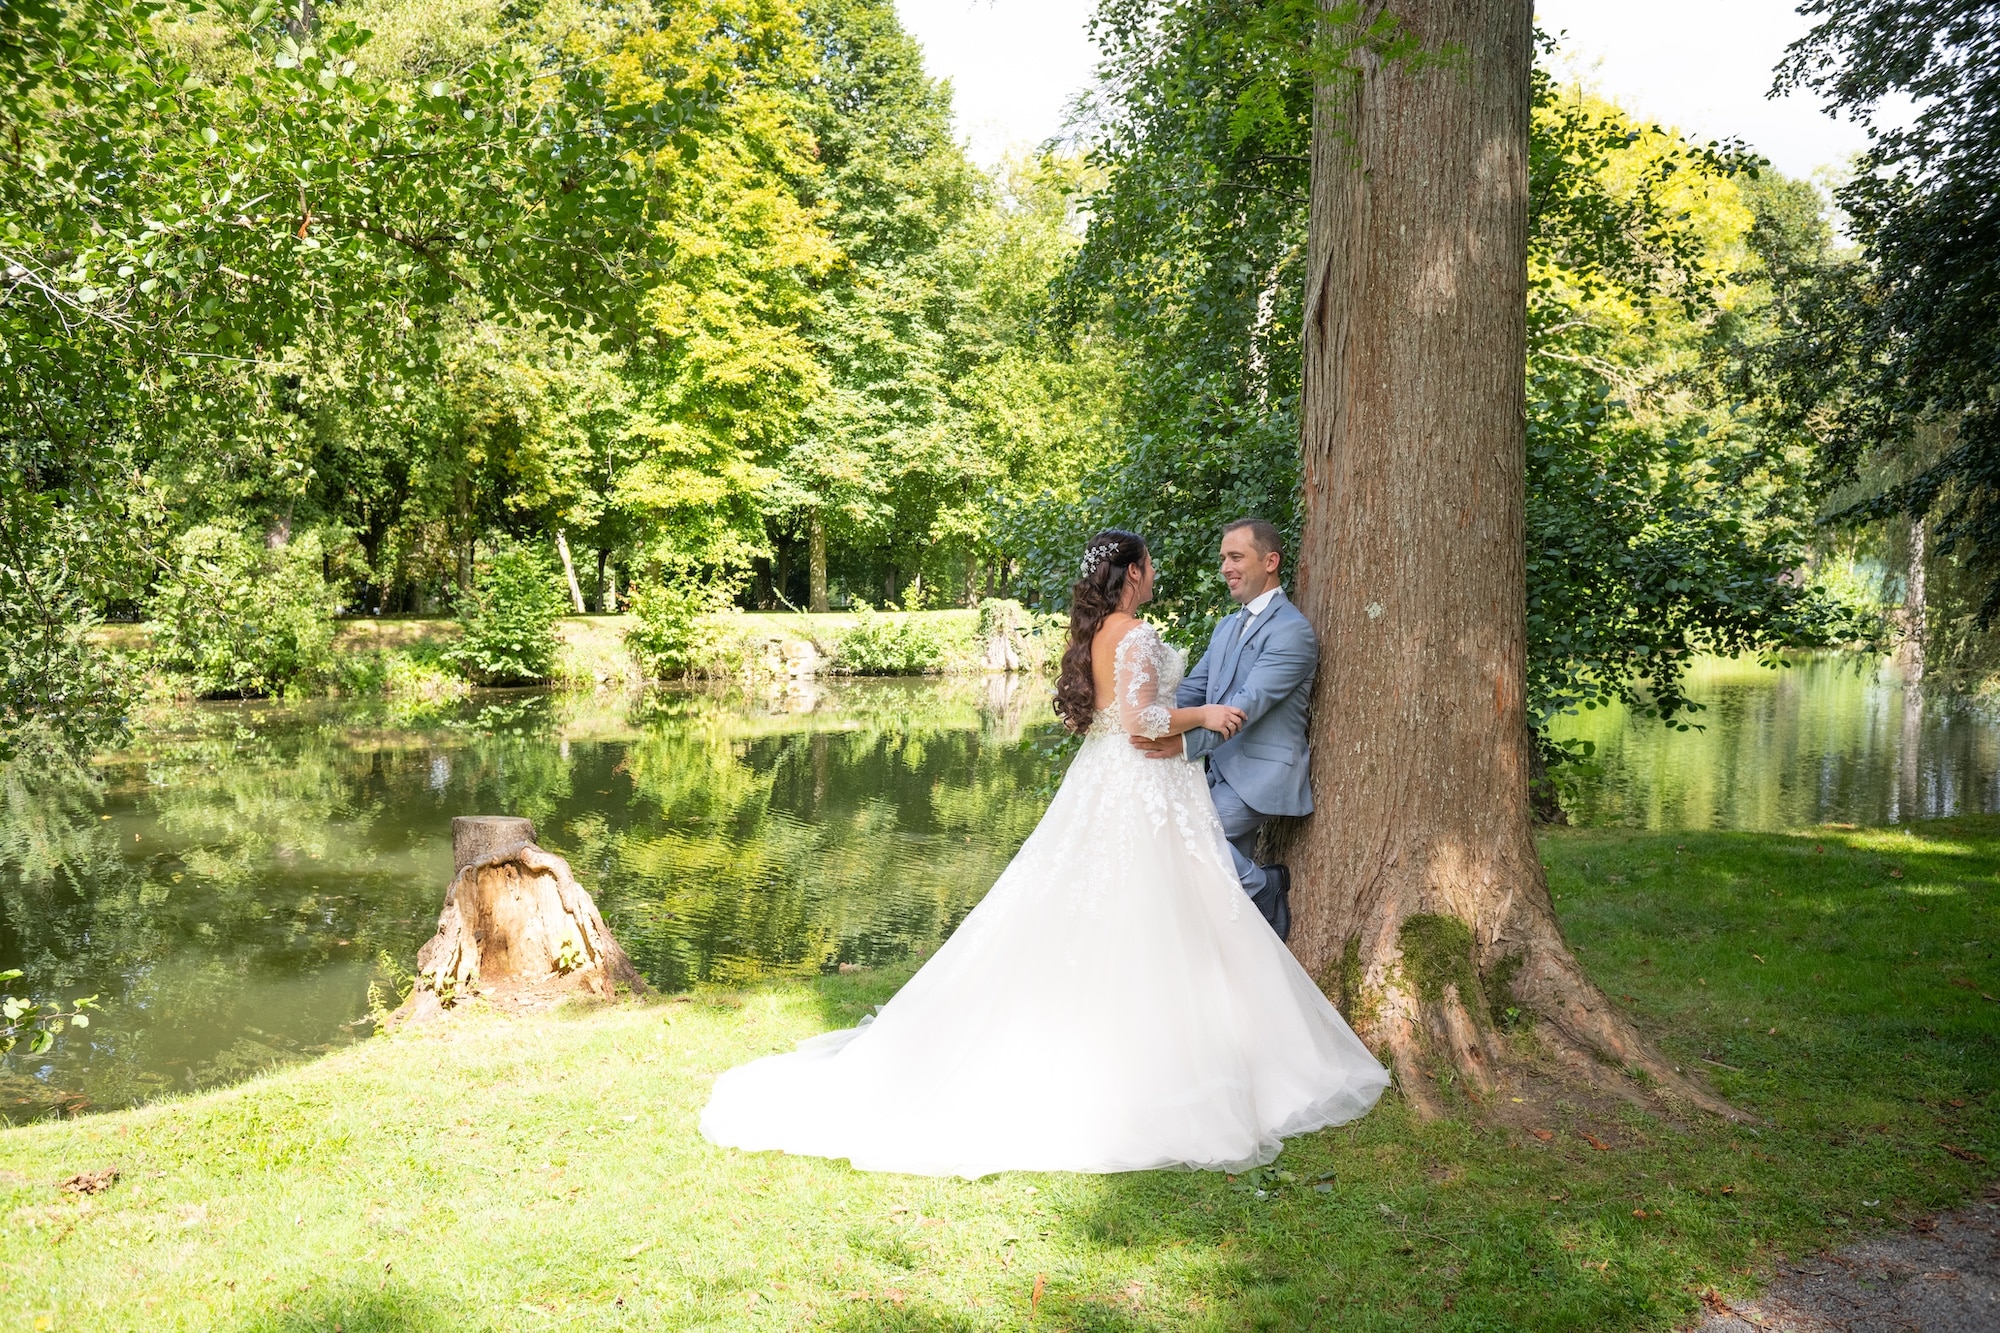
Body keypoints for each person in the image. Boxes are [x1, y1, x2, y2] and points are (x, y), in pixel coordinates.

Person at [698, 529, 1387, 1178]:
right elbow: (1147, 719)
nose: (1158, 575)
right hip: (1141, 778)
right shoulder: (1138, 634)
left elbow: (1124, 713)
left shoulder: (1096, 634)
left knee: (1118, 898)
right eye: (1148, 567)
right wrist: (1199, 719)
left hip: (1113, 779)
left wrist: (1178, 726)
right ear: (1134, 574)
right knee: (1162, 899)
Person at [1131, 518, 1314, 941]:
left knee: (1177, 832)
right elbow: (1194, 690)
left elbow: (1243, 707)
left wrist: (1181, 743)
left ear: (1270, 561)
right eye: (1223, 559)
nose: (1225, 568)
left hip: (1263, 777)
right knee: (1216, 890)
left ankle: (1265, 885)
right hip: (1217, 771)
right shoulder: (1227, 626)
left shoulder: (1292, 632)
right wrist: (1142, 717)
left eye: (1235, 557)